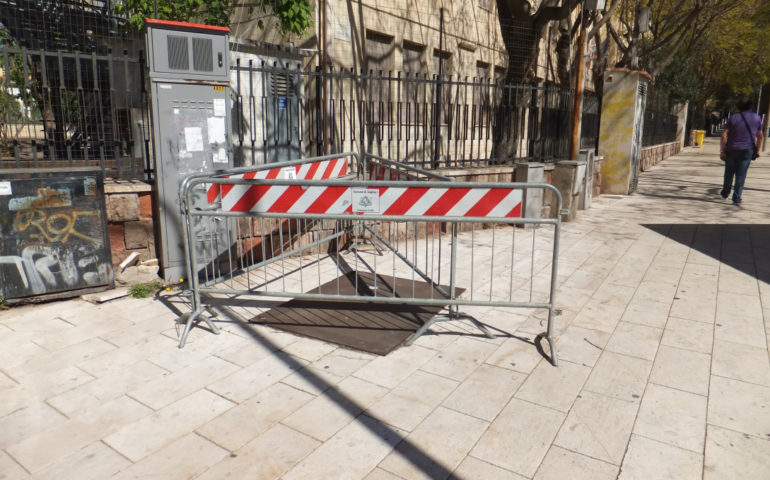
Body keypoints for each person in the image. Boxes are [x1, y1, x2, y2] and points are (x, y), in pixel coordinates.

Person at [720, 98, 763, 204]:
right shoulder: (757, 118)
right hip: (747, 150)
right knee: (741, 174)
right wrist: (757, 150)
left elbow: (724, 134)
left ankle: (725, 192)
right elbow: (760, 136)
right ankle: (737, 197)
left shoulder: (733, 117)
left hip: (732, 149)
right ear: (751, 106)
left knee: (729, 172)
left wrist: (722, 150)